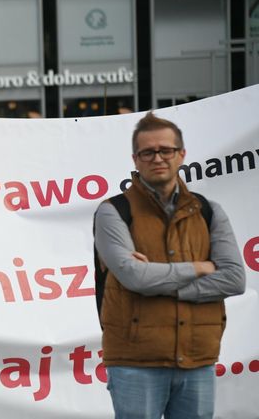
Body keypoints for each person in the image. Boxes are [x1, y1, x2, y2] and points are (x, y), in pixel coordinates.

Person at [93, 112, 245, 419]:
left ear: (181, 155)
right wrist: (201, 268)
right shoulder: (113, 212)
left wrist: (163, 284)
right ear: (136, 159)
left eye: (166, 150)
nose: (157, 158)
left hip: (197, 358)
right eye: (148, 152)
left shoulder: (208, 212)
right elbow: (135, 278)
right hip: (135, 361)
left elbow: (234, 279)